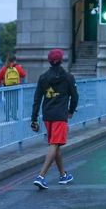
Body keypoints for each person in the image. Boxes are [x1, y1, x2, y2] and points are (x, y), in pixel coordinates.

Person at [30, 49, 78, 189]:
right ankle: (41, 176)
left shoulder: (43, 77)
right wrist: (70, 111)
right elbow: (75, 97)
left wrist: (34, 119)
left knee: (54, 145)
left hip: (47, 115)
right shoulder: (68, 77)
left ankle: (63, 175)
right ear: (62, 60)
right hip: (60, 115)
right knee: (54, 144)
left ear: (49, 61)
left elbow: (37, 99)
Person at [0, 55, 27, 121]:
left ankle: (7, 117)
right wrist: (21, 68)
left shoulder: (4, 68)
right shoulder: (17, 67)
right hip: (16, 87)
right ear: (15, 60)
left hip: (7, 87)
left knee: (7, 102)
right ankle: (14, 115)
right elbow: (24, 75)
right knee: (15, 101)